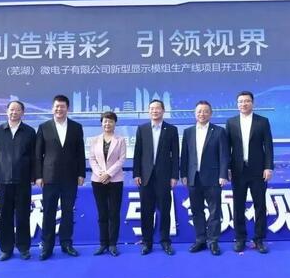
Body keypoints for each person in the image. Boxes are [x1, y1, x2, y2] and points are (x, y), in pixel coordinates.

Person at [34, 95, 86, 260]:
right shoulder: (44, 127)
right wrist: (38, 176)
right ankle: (47, 247)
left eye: (62, 106)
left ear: (67, 109)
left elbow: (80, 153)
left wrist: (81, 173)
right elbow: (38, 154)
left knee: (68, 212)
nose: (59, 109)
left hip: (70, 177)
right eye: (56, 106)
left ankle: (66, 243)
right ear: (52, 108)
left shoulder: (76, 127)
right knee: (49, 212)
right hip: (49, 177)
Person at [225, 90, 274, 254]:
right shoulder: (231, 122)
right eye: (240, 101)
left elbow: (268, 146)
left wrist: (268, 167)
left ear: (252, 103)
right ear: (237, 104)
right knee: (238, 205)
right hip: (238, 170)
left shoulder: (262, 121)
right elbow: (227, 148)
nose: (243, 104)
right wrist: (227, 169)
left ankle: (259, 239)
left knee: (260, 205)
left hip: (258, 170)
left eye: (247, 101)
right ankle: (240, 238)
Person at [180, 100, 230, 256]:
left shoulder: (219, 131)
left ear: (211, 113)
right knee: (197, 211)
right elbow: (185, 155)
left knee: (214, 211)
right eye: (199, 111)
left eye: (205, 111)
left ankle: (213, 241)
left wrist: (223, 175)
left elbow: (224, 155)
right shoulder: (188, 132)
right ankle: (200, 239)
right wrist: (184, 174)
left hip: (213, 178)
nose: (202, 114)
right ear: (195, 114)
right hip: (193, 177)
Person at [0, 100, 36, 261]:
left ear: (23, 112)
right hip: (3, 181)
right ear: (6, 111)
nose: (14, 112)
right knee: (5, 216)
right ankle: (6, 249)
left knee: (23, 215)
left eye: (17, 110)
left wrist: (33, 176)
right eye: (11, 109)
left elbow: (34, 157)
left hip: (23, 181)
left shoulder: (29, 132)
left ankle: (23, 248)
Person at [133, 99, 179, 255]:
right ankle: (147, 242)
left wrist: (174, 176)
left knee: (165, 210)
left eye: (157, 108)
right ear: (148, 111)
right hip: (145, 177)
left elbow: (175, 155)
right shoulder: (142, 129)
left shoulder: (171, 130)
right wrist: (136, 173)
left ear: (163, 111)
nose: (154, 111)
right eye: (151, 109)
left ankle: (165, 242)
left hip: (164, 177)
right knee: (146, 211)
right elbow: (137, 153)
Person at [88, 111, 126, 257]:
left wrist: (109, 174)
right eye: (105, 121)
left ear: (115, 123)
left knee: (114, 213)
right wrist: (101, 174)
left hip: (115, 180)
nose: (107, 124)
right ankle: (103, 243)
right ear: (101, 123)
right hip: (98, 181)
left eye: (110, 121)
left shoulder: (120, 140)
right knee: (102, 213)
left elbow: (121, 160)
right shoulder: (94, 140)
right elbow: (92, 159)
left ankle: (113, 244)